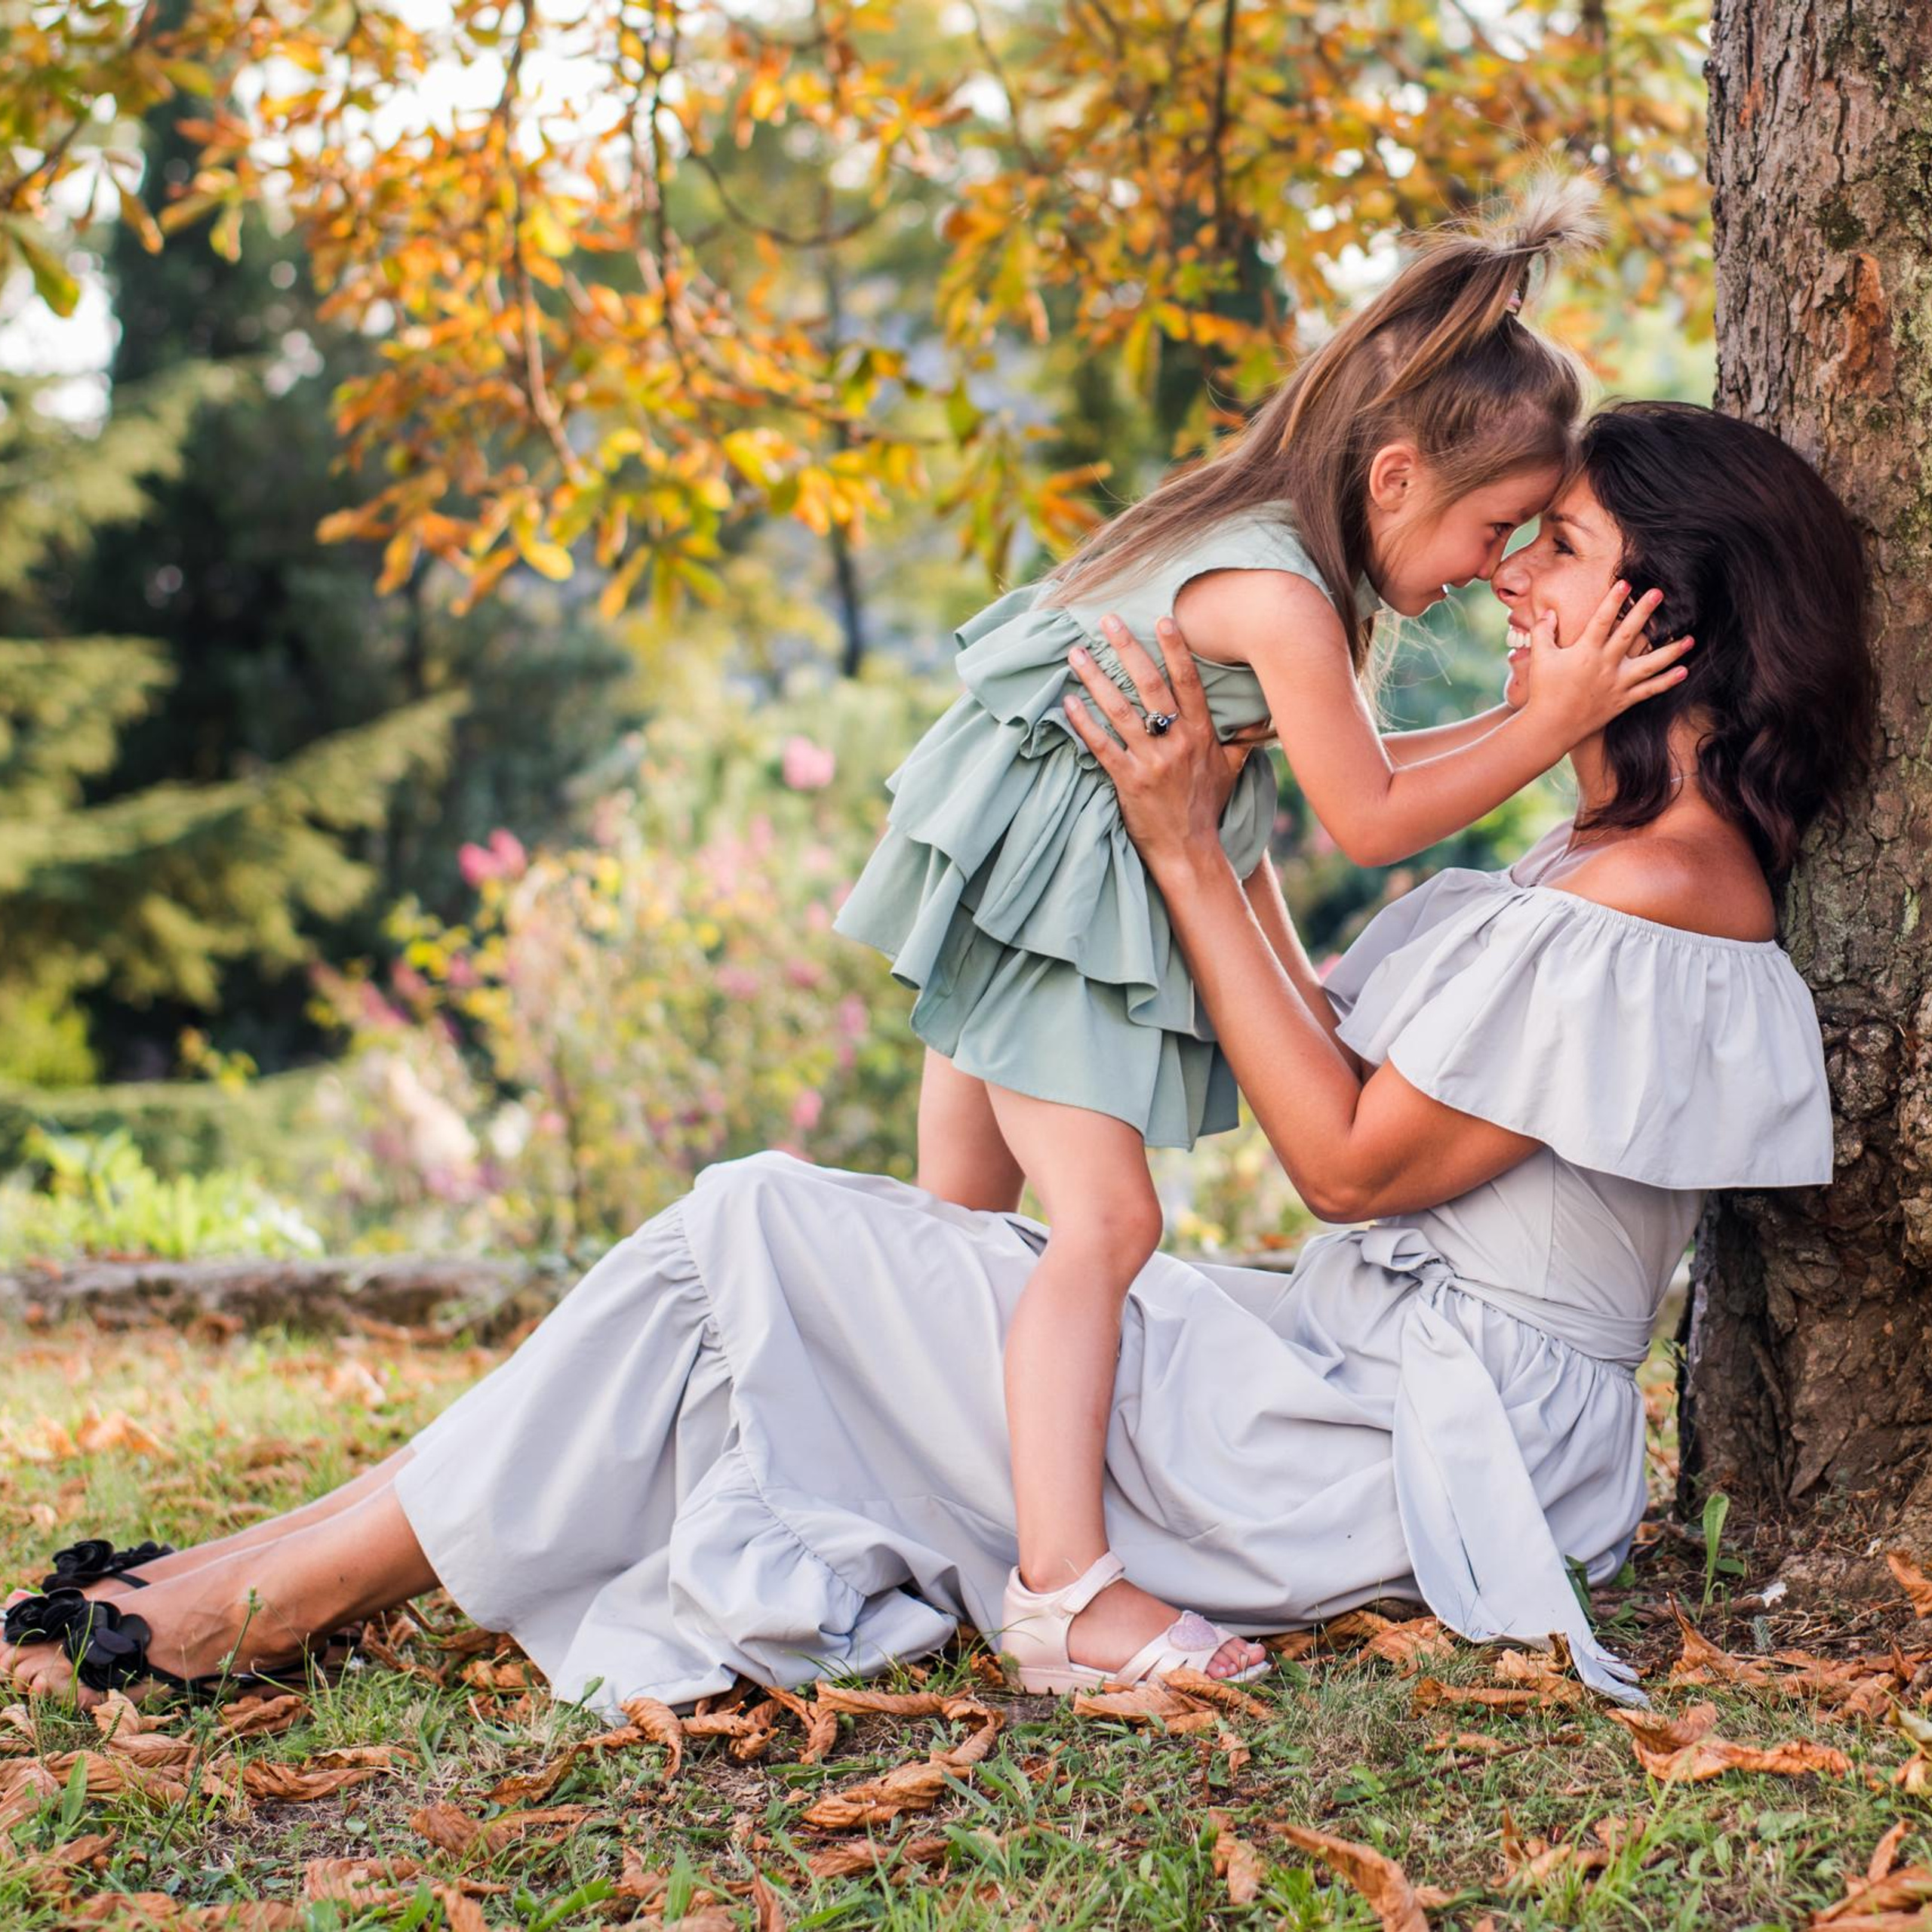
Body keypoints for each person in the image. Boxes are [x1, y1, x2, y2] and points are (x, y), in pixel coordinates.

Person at [1, 399, 1872, 1711]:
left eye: (1560, 548)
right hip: (1340, 1373)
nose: (1512, 586)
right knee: (758, 1249)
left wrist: (1174, 856)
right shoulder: (1582, 857)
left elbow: (1350, 1162)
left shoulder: (1661, 892)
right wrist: (1212, 829)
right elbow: (1338, 1044)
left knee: (761, 1228)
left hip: (1403, 1448)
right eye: (1517, 535)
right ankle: (269, 1568)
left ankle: (270, 1592)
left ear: (1672, 617)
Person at [832, 173, 1694, 1691]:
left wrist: (1521, 714)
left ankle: (909, 1506)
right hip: (1058, 876)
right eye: (1496, 525)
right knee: (1105, 1227)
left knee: (960, 1243)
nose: (1496, 569)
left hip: (1029, 854)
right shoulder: (1285, 599)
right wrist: (1545, 712)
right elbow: (1364, 817)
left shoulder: (1272, 552)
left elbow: (1361, 779)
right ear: (1396, 478)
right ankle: (1060, 1597)